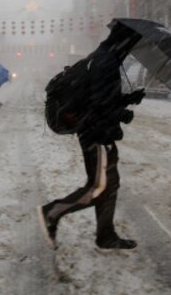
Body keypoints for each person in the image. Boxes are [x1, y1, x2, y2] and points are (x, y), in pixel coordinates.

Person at [37, 26, 145, 250]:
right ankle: (52, 213)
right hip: (97, 135)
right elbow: (100, 104)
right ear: (124, 42)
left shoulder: (103, 58)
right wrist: (123, 113)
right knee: (98, 187)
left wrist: (127, 99)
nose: (132, 49)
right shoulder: (106, 62)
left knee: (109, 185)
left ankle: (106, 236)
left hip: (98, 132)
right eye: (132, 44)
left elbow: (101, 96)